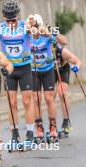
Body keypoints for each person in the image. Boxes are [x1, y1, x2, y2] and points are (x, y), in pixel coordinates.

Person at [0, 0, 35, 145]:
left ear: (18, 17)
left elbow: (36, 34)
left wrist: (35, 25)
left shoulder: (24, 26)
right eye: (9, 20)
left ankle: (30, 133)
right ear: (5, 18)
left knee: (27, 101)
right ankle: (15, 133)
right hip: (9, 70)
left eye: (14, 20)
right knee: (12, 103)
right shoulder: (0, 27)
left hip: (25, 68)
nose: (11, 23)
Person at [29, 14, 67, 143]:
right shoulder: (27, 36)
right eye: (32, 27)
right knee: (36, 99)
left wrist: (51, 34)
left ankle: (53, 127)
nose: (35, 29)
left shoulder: (47, 33)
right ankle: (39, 128)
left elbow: (64, 42)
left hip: (48, 70)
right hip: (34, 71)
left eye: (37, 26)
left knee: (49, 98)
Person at [54, 43, 82, 133]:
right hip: (49, 72)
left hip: (62, 70)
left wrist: (76, 67)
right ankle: (52, 124)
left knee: (62, 93)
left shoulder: (62, 51)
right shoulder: (39, 49)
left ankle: (66, 121)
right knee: (50, 96)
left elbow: (78, 61)